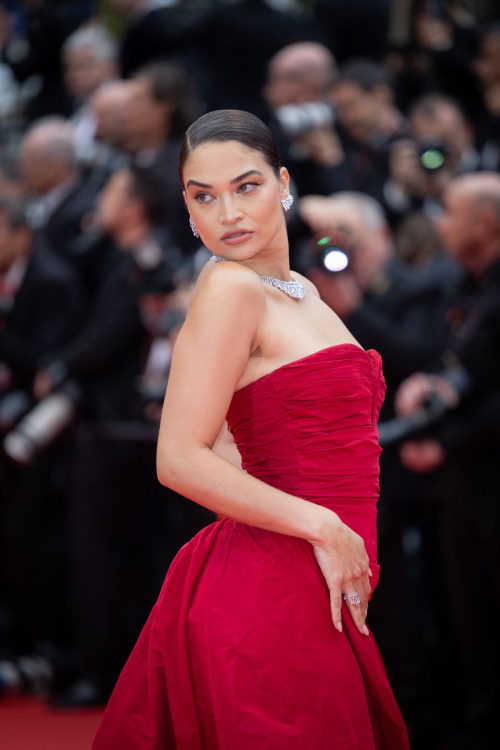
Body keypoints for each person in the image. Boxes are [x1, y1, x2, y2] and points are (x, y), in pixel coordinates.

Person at [92, 109, 409, 749]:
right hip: (276, 590)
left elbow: (239, 446)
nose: (228, 214)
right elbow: (179, 458)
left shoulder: (300, 292)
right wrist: (322, 525)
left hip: (320, 581)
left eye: (246, 187)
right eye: (203, 197)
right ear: (186, 209)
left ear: (284, 183)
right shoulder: (229, 288)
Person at [394, 173, 500, 748]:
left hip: (486, 475)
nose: (438, 223)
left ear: (485, 225)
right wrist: (423, 388)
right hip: (458, 485)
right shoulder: (459, 287)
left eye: (451, 213)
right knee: (467, 617)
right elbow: (451, 369)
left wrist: (448, 439)